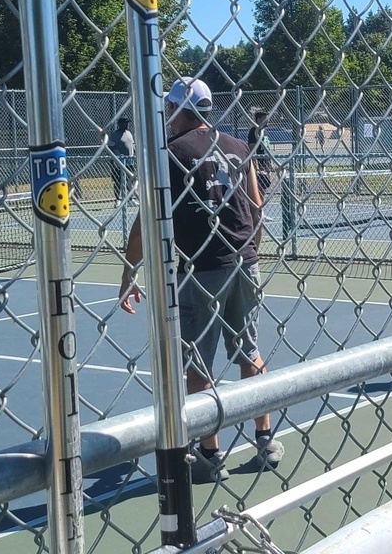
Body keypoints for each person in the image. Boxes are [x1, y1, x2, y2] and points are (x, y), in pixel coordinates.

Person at [118, 77, 283, 482]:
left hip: (201, 268)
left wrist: (129, 271)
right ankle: (265, 441)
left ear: (177, 110)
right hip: (245, 262)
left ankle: (210, 455)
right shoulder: (236, 146)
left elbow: (146, 220)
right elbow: (257, 207)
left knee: (198, 363)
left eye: (169, 108)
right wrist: (249, 251)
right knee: (250, 351)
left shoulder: (170, 154)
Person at [246, 109, 275, 194]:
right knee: (259, 190)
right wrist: (256, 167)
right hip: (259, 165)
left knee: (264, 189)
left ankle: (261, 205)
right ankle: (259, 206)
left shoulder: (264, 132)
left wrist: (270, 164)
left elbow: (267, 149)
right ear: (259, 120)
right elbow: (252, 150)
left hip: (266, 165)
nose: (268, 120)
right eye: (265, 118)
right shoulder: (254, 131)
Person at [106, 117, 135, 201]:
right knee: (118, 182)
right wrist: (113, 162)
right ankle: (118, 200)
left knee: (130, 181)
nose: (126, 125)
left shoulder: (129, 133)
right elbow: (110, 147)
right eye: (124, 123)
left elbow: (132, 146)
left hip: (129, 162)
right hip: (119, 162)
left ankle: (130, 199)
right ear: (120, 124)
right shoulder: (114, 135)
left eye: (127, 123)